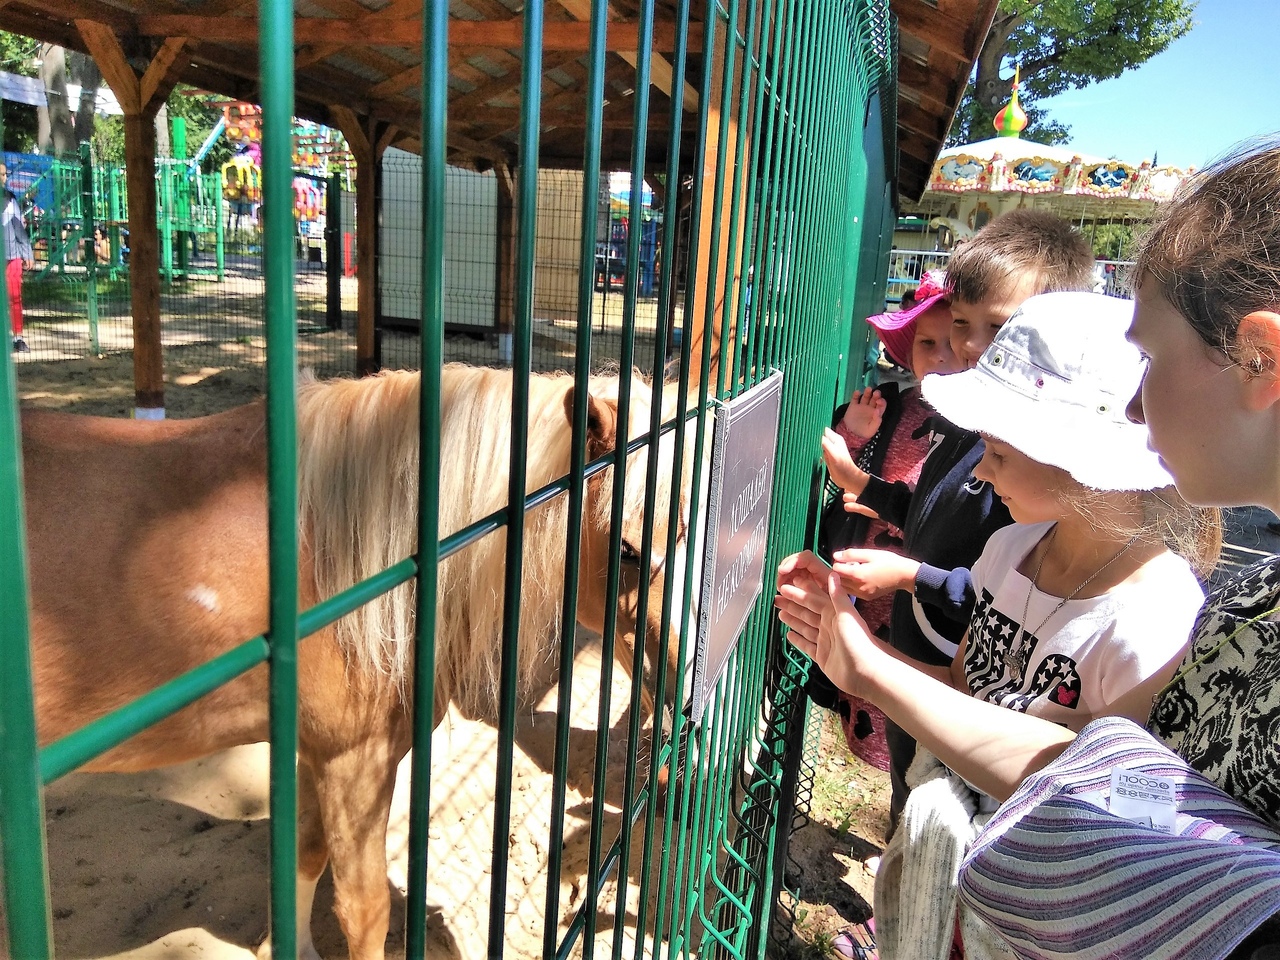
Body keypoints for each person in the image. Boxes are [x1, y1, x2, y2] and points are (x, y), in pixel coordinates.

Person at [776, 138, 1280, 960]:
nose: (1135, 406)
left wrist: (871, 666)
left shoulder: (1162, 619)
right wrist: (861, 657)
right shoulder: (1231, 607)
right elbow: (1080, 766)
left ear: (1259, 359)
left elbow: (1100, 809)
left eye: (1151, 359)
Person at [826, 292, 1213, 959]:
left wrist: (874, 669)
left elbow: (1117, 809)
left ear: (1082, 463)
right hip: (951, 886)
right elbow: (963, 688)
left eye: (999, 453)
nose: (979, 469)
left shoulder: (1155, 625)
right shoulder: (1009, 550)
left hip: (1035, 917)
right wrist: (848, 647)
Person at [822, 210, 1096, 836]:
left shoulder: (1023, 466)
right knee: (910, 781)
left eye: (997, 327)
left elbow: (991, 591)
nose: (968, 346)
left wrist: (909, 576)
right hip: (929, 651)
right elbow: (932, 510)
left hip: (960, 664)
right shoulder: (964, 423)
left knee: (939, 801)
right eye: (961, 324)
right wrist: (863, 485)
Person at [814, 271, 961, 772]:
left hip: (925, 585)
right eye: (926, 343)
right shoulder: (893, 407)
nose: (939, 356)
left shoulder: (976, 430)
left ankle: (909, 771)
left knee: (915, 685)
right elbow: (842, 465)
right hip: (869, 577)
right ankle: (888, 768)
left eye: (952, 342)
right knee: (869, 667)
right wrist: (855, 432)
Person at [1, 163, 34, 354]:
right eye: (0, 174)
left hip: (12, 256)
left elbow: (19, 229)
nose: (3, 178)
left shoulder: (11, 199)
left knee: (14, 298)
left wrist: (26, 253)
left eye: (4, 174)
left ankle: (18, 338)